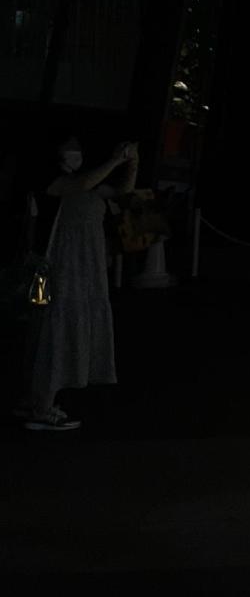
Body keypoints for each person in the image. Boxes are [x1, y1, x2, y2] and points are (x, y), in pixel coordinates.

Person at [20, 137, 136, 431]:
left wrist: (132, 162)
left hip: (79, 272)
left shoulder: (90, 185)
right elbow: (79, 185)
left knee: (50, 326)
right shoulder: (56, 183)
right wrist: (115, 161)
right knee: (45, 325)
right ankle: (40, 405)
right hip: (47, 270)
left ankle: (36, 399)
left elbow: (121, 191)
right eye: (67, 154)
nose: (74, 158)